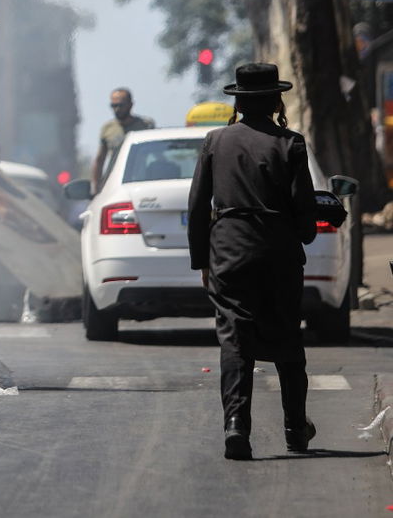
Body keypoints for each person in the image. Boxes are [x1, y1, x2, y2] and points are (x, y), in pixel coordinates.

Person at [186, 63, 318, 460]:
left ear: (238, 103)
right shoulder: (291, 144)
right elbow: (305, 215)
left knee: (235, 340)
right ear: (277, 101)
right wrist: (305, 231)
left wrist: (202, 261)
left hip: (228, 251)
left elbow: (197, 208)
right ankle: (295, 428)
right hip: (278, 253)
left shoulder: (214, 141)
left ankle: (235, 427)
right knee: (287, 337)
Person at [90, 88, 155, 188]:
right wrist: (95, 186)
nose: (117, 109)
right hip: (115, 181)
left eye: (121, 105)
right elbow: (100, 159)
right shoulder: (108, 129)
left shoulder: (145, 126)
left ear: (130, 105)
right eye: (114, 106)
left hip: (143, 179)